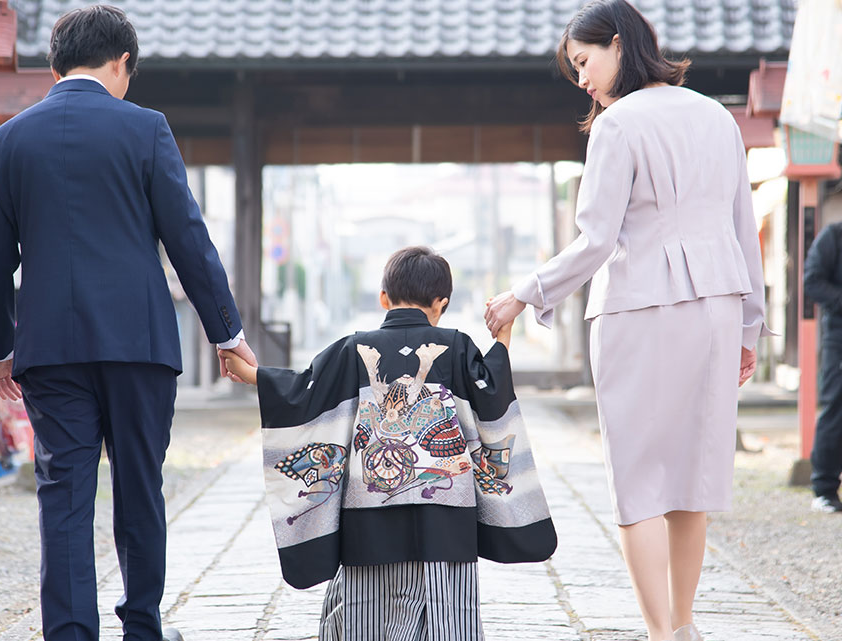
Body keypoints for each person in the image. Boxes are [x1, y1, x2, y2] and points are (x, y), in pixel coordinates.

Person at [482, 2, 772, 641]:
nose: (582, 80)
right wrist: (750, 326)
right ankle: (686, 624)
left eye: (584, 63)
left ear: (617, 44)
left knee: (638, 478)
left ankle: (660, 634)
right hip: (717, 304)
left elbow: (595, 241)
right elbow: (741, 229)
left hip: (638, 304)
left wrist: (521, 295)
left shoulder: (617, 125)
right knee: (694, 476)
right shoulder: (717, 117)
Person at [0, 6, 256, 641]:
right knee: (139, 485)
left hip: (49, 349)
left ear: (54, 63)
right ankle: (142, 628)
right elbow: (188, 238)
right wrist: (227, 335)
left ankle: (70, 633)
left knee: (64, 492)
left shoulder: (10, 140)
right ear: (123, 62)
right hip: (139, 344)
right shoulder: (145, 129)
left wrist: (2, 346)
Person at [222, 246, 556, 641]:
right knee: (450, 617)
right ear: (441, 304)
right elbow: (492, 392)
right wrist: (501, 342)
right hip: (445, 519)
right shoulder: (458, 345)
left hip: (370, 519)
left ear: (384, 298)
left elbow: (302, 391)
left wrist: (257, 376)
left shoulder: (352, 348)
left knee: (368, 617)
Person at [803, 222, 842, 513]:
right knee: (836, 408)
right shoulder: (834, 236)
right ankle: (825, 489)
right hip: (839, 337)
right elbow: (812, 281)